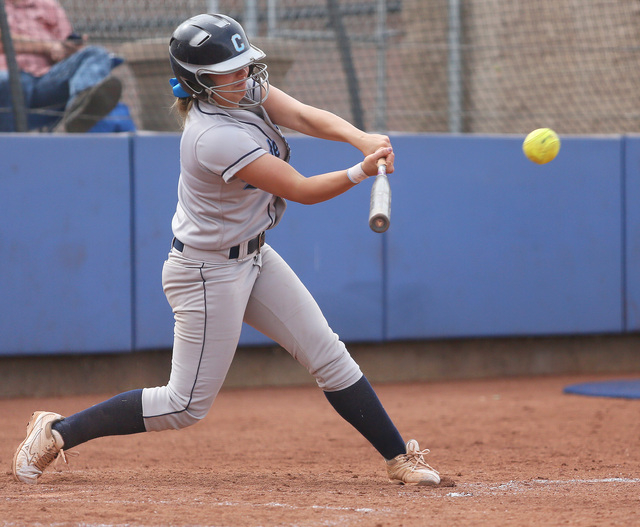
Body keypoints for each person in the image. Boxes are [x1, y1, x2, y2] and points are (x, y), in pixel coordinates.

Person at [11, 13, 445, 487]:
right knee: (183, 405)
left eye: (243, 66)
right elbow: (299, 189)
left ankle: (398, 457)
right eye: (230, 71)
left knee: (329, 355)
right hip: (206, 272)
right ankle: (57, 432)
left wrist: (360, 138)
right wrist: (361, 171)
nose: (245, 76)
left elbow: (300, 114)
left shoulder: (242, 91)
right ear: (201, 82)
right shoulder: (212, 137)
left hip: (254, 256)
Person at [0, 0, 122, 133]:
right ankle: (10, 145)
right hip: (7, 77)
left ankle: (80, 108)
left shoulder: (48, 5)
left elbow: (64, 45)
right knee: (6, 80)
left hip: (45, 80)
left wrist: (68, 49)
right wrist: (49, 46)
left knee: (95, 53)